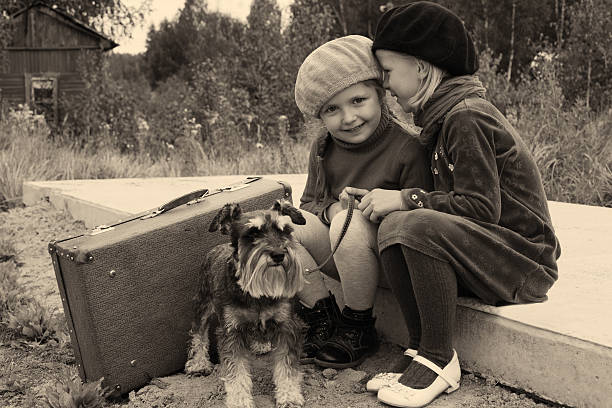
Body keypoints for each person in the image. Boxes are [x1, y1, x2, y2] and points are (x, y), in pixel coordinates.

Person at [350, 2, 562, 407]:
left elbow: (481, 208)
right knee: (395, 225)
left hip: (524, 262)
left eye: (389, 72)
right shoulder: (442, 120)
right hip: (489, 252)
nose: (386, 86)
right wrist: (390, 199)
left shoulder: (467, 117)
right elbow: (444, 203)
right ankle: (419, 347)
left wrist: (406, 199)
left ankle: (439, 358)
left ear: (423, 68)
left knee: (411, 223)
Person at [292, 35, 433, 369]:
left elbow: (426, 219)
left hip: (388, 263)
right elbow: (308, 205)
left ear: (380, 95)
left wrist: (378, 209)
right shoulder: (324, 148)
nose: (349, 117)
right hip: (340, 252)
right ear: (320, 116)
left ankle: (358, 325)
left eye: (358, 100)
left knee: (348, 222)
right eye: (332, 109)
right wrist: (331, 209)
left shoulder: (408, 147)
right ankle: (321, 316)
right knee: (283, 225)